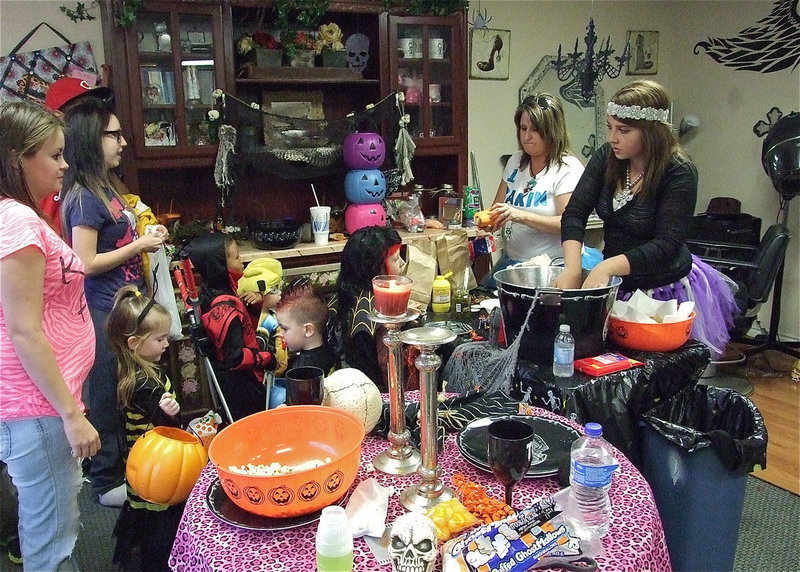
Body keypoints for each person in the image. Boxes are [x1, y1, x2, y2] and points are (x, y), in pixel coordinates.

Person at [557, 79, 737, 355]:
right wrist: (572, 268)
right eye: (610, 127)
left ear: (651, 132)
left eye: (624, 130)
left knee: (656, 376)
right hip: (621, 280)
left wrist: (605, 268)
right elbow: (575, 214)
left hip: (664, 286)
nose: (612, 138)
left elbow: (667, 243)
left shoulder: (678, 171)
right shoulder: (607, 157)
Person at [0, 100, 101, 570]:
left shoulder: (18, 215)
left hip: (33, 405)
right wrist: (70, 413)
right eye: (54, 155)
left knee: (49, 528)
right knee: (53, 541)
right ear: (18, 157)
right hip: (40, 409)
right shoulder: (17, 222)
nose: (65, 165)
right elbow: (23, 329)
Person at [60, 96, 165, 507]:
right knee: (105, 392)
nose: (123, 142)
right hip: (101, 312)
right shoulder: (84, 196)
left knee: (125, 390)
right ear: (91, 139)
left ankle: (124, 468)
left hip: (121, 308)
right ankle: (104, 483)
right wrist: (139, 243)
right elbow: (84, 262)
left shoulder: (106, 188)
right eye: (114, 134)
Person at [105, 286, 183, 572]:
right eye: (160, 338)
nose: (167, 343)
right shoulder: (143, 384)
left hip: (144, 462)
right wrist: (174, 416)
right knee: (158, 526)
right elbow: (170, 430)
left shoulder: (141, 368)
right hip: (154, 468)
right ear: (135, 342)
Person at [485, 93, 585, 277]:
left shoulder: (567, 168)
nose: (527, 136)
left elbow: (568, 224)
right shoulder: (515, 161)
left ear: (552, 131)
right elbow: (496, 210)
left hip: (554, 265)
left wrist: (521, 216)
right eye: (523, 128)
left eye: (535, 130)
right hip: (516, 263)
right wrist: (489, 221)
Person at [186, 233, 275, 420]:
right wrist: (267, 358)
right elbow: (235, 358)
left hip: (234, 381)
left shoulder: (213, 293)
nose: (242, 260)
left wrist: (257, 304)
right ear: (220, 266)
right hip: (241, 387)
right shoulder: (224, 308)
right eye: (236, 257)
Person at [40, 76, 114, 235]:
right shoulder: (45, 172)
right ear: (58, 117)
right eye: (85, 110)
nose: (94, 117)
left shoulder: (96, 166)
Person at [334, 226, 404, 390]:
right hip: (374, 392)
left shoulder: (345, 295)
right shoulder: (374, 312)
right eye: (395, 259)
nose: (402, 263)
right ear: (376, 268)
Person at [276, 284, 337, 375]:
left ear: (308, 330)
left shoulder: (304, 373)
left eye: (285, 329)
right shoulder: (330, 353)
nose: (280, 334)